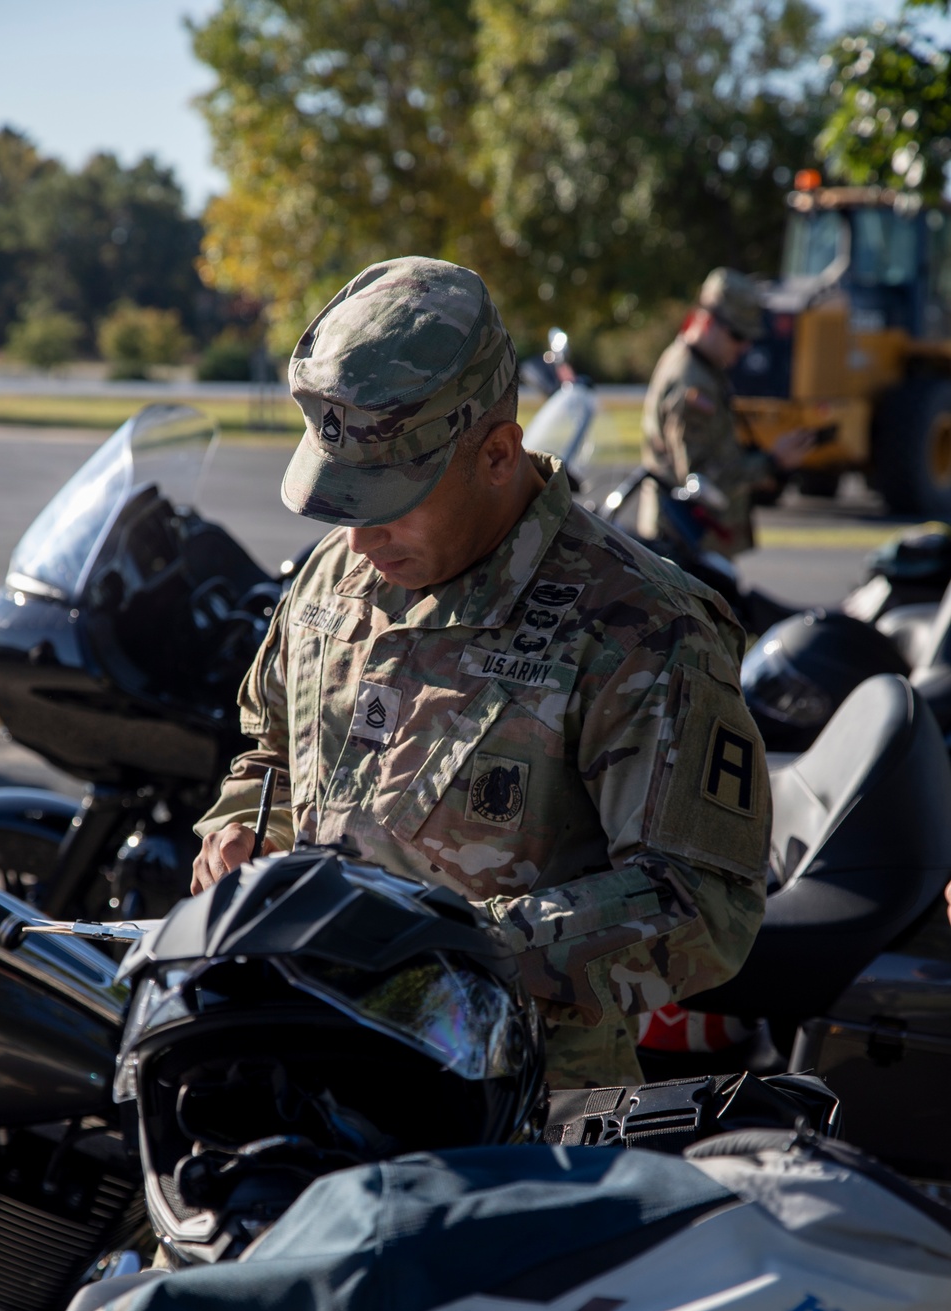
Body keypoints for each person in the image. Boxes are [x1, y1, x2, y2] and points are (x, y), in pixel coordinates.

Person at [192, 256, 772, 1090]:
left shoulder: (642, 627)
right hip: (308, 1056)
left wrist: (453, 952)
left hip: (513, 1111)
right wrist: (240, 833)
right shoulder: (335, 576)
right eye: (343, 500)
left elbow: (702, 904)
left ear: (498, 454)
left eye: (388, 500)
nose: (357, 542)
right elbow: (270, 754)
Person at [639, 266, 815, 557]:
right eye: (737, 335)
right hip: (683, 543)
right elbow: (699, 480)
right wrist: (772, 463)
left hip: (692, 538)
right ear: (707, 322)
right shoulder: (692, 384)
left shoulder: (699, 367)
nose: (745, 346)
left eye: (749, 338)